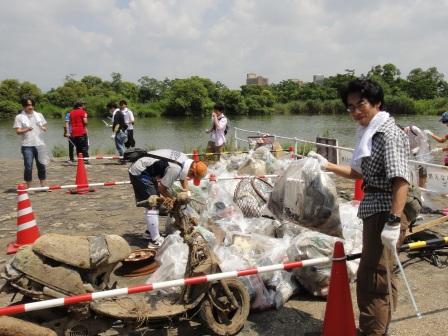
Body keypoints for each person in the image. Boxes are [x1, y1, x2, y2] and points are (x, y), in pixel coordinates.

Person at [308, 79, 410, 336]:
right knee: (380, 274)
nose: (355, 111)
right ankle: (380, 327)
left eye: (360, 104)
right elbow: (358, 172)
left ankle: (372, 331)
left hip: (385, 211)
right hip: (374, 209)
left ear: (377, 103)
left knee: (372, 279)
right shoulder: (369, 133)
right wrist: (328, 166)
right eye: (350, 107)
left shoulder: (388, 133)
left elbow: (401, 180)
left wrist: (394, 221)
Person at [128, 149, 208, 249]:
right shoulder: (175, 169)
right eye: (192, 176)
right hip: (140, 171)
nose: (190, 178)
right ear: (192, 171)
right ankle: (155, 240)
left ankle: (149, 232)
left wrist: (187, 193)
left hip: (147, 169)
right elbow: (162, 189)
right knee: (153, 204)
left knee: (154, 202)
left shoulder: (185, 159)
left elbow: (183, 178)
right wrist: (175, 200)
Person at [13, 97, 49, 188]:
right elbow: (17, 131)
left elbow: (44, 127)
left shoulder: (39, 115)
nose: (31, 107)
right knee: (28, 166)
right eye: (28, 105)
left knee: (41, 165)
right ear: (24, 106)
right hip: (27, 145)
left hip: (40, 144)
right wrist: (26, 129)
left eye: (32, 105)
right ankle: (29, 187)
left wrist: (44, 128)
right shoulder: (19, 117)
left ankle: (43, 185)